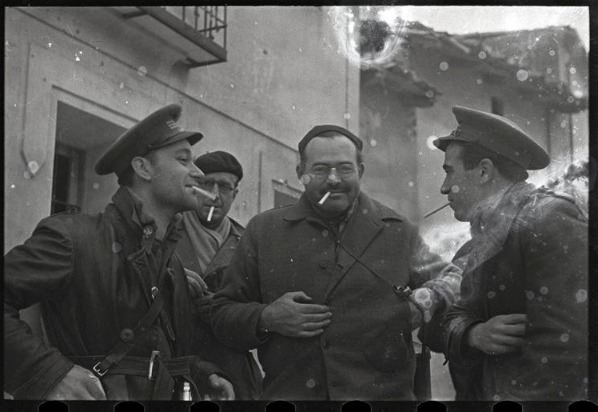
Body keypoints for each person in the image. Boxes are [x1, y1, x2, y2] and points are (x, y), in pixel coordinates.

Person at [199, 125, 461, 400]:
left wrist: (423, 300)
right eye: (321, 169)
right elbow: (222, 314)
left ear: (360, 171)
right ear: (301, 173)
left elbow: (454, 279)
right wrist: (267, 318)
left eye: (344, 169)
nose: (334, 179)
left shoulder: (397, 231)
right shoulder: (264, 231)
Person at [4, 104, 235, 400]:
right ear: (143, 168)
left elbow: (151, 353)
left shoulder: (171, 264)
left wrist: (202, 373)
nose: (198, 172)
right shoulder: (73, 238)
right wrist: (47, 373)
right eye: (183, 160)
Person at [430, 105, 588, 400]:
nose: (444, 187)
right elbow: (444, 320)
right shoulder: (479, 242)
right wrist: (473, 334)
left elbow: (567, 352)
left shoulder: (549, 221)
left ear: (484, 171)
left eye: (450, 172)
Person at [176, 151, 263, 399]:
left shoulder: (248, 242)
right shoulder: (167, 230)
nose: (214, 194)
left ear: (235, 194)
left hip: (232, 369)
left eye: (224, 186)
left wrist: (222, 308)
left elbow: (258, 314)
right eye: (206, 183)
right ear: (194, 186)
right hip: (175, 363)